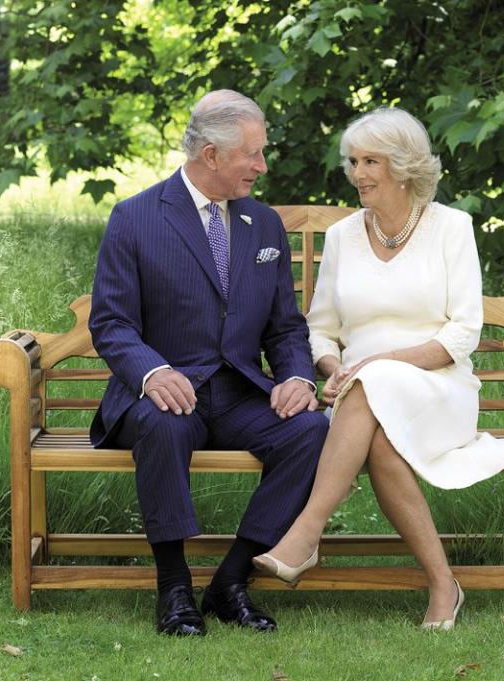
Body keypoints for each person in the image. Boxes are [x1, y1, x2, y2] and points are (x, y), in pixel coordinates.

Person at [253, 107, 504, 630]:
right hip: (364, 399)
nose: (358, 173)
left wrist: (375, 364)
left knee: (373, 379)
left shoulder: (452, 228)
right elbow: (320, 329)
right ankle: (443, 585)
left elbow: (462, 333)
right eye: (353, 161)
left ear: (403, 167)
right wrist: (335, 367)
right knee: (378, 431)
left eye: (371, 161)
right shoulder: (341, 238)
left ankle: (307, 529)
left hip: (440, 390)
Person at [89, 90, 328, 636]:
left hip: (238, 393)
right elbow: (111, 324)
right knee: (163, 422)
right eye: (253, 154)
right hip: (162, 393)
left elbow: (286, 327)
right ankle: (173, 589)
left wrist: (295, 376)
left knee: (310, 430)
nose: (262, 166)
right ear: (212, 156)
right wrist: (152, 372)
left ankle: (231, 580)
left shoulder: (263, 224)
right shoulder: (135, 217)